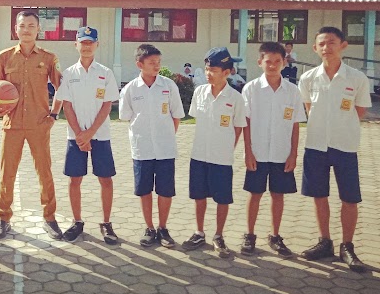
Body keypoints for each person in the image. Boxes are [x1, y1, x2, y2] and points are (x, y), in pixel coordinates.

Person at [298, 26, 370, 272]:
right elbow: (308, 109)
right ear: (315, 48)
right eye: (322, 44)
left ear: (343, 45)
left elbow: (359, 112)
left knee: (349, 198)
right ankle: (324, 242)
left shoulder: (357, 78)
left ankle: (347, 246)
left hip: (345, 145)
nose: (327, 48)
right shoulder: (307, 79)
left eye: (332, 42)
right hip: (316, 145)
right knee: (319, 195)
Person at [0, 10, 63, 240]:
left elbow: (62, 88)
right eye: (22, 26)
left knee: (44, 172)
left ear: (38, 29)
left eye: (31, 26)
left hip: (39, 124)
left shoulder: (49, 58)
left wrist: (53, 115)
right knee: (7, 173)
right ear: (16, 29)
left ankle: (50, 219)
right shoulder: (4, 57)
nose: (27, 30)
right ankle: (3, 218)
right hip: (12, 125)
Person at [240, 42, 306, 257]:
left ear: (284, 62)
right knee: (255, 193)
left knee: (278, 195)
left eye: (278, 61)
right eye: (268, 61)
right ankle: (249, 235)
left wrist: (294, 153)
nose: (273, 65)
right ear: (260, 62)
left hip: (281, 152)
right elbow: (246, 122)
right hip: (257, 153)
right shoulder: (251, 89)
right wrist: (248, 151)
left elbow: (295, 124)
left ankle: (275, 236)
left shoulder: (292, 91)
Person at [56, 27, 120, 244]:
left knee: (105, 179)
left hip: (100, 136)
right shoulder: (69, 74)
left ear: (96, 45)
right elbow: (67, 105)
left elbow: (107, 105)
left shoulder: (106, 73)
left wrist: (90, 133)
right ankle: (77, 221)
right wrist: (80, 135)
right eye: (82, 43)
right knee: (75, 180)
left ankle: (106, 223)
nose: (86, 46)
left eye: (90, 43)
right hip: (75, 137)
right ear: (76, 45)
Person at [182, 47, 245, 257]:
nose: (208, 73)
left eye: (214, 70)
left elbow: (238, 127)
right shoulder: (199, 92)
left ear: (226, 72)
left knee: (222, 198)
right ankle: (199, 232)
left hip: (222, 158)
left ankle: (219, 235)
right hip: (199, 154)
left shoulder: (235, 98)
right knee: (199, 196)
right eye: (207, 69)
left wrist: (228, 147)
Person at [119, 44, 184, 248]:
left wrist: (165, 136)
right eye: (151, 63)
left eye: (158, 62)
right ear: (140, 64)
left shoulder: (168, 86)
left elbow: (176, 116)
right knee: (144, 190)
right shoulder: (130, 89)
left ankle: (163, 228)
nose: (156, 66)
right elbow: (126, 117)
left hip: (165, 149)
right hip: (142, 149)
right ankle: (149, 228)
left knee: (165, 190)